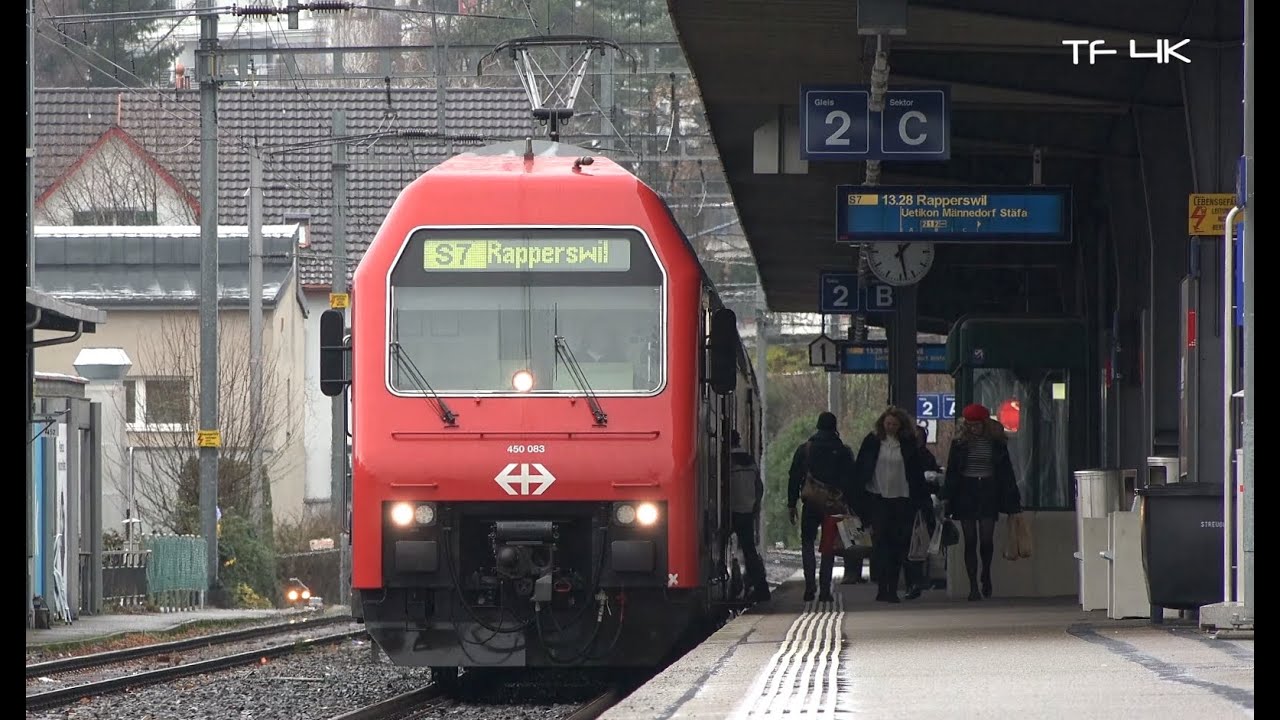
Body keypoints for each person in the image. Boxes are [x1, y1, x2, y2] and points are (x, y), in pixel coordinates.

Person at [853, 406, 935, 603]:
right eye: (887, 423)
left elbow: (915, 472)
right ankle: (883, 588)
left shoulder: (907, 444)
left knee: (899, 544)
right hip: (878, 498)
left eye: (894, 424)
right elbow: (861, 468)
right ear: (882, 423)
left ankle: (893, 586)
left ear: (900, 426)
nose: (890, 427)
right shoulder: (872, 442)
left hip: (902, 499)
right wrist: (858, 498)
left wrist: (922, 501)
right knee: (881, 543)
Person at [942, 403, 1022, 601]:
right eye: (969, 425)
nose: (973, 428)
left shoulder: (995, 443)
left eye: (976, 425)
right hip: (966, 491)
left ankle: (985, 573)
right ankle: (972, 587)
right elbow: (952, 471)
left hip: (988, 490)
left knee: (986, 539)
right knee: (970, 540)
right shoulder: (960, 443)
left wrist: (1013, 500)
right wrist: (946, 497)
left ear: (985, 424)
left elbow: (1006, 472)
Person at [787, 411, 858, 602]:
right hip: (833, 505)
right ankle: (825, 590)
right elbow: (851, 480)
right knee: (828, 547)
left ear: (818, 426)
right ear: (834, 427)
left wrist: (791, 504)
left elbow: (794, 477)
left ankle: (810, 587)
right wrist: (851, 506)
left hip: (811, 503)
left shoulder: (806, 449)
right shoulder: (843, 450)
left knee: (807, 542)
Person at [729, 430, 770, 602]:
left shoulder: (726, 460)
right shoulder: (750, 461)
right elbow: (759, 487)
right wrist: (754, 506)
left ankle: (734, 584)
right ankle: (762, 588)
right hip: (747, 510)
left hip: (731, 511)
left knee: (726, 548)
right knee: (749, 550)